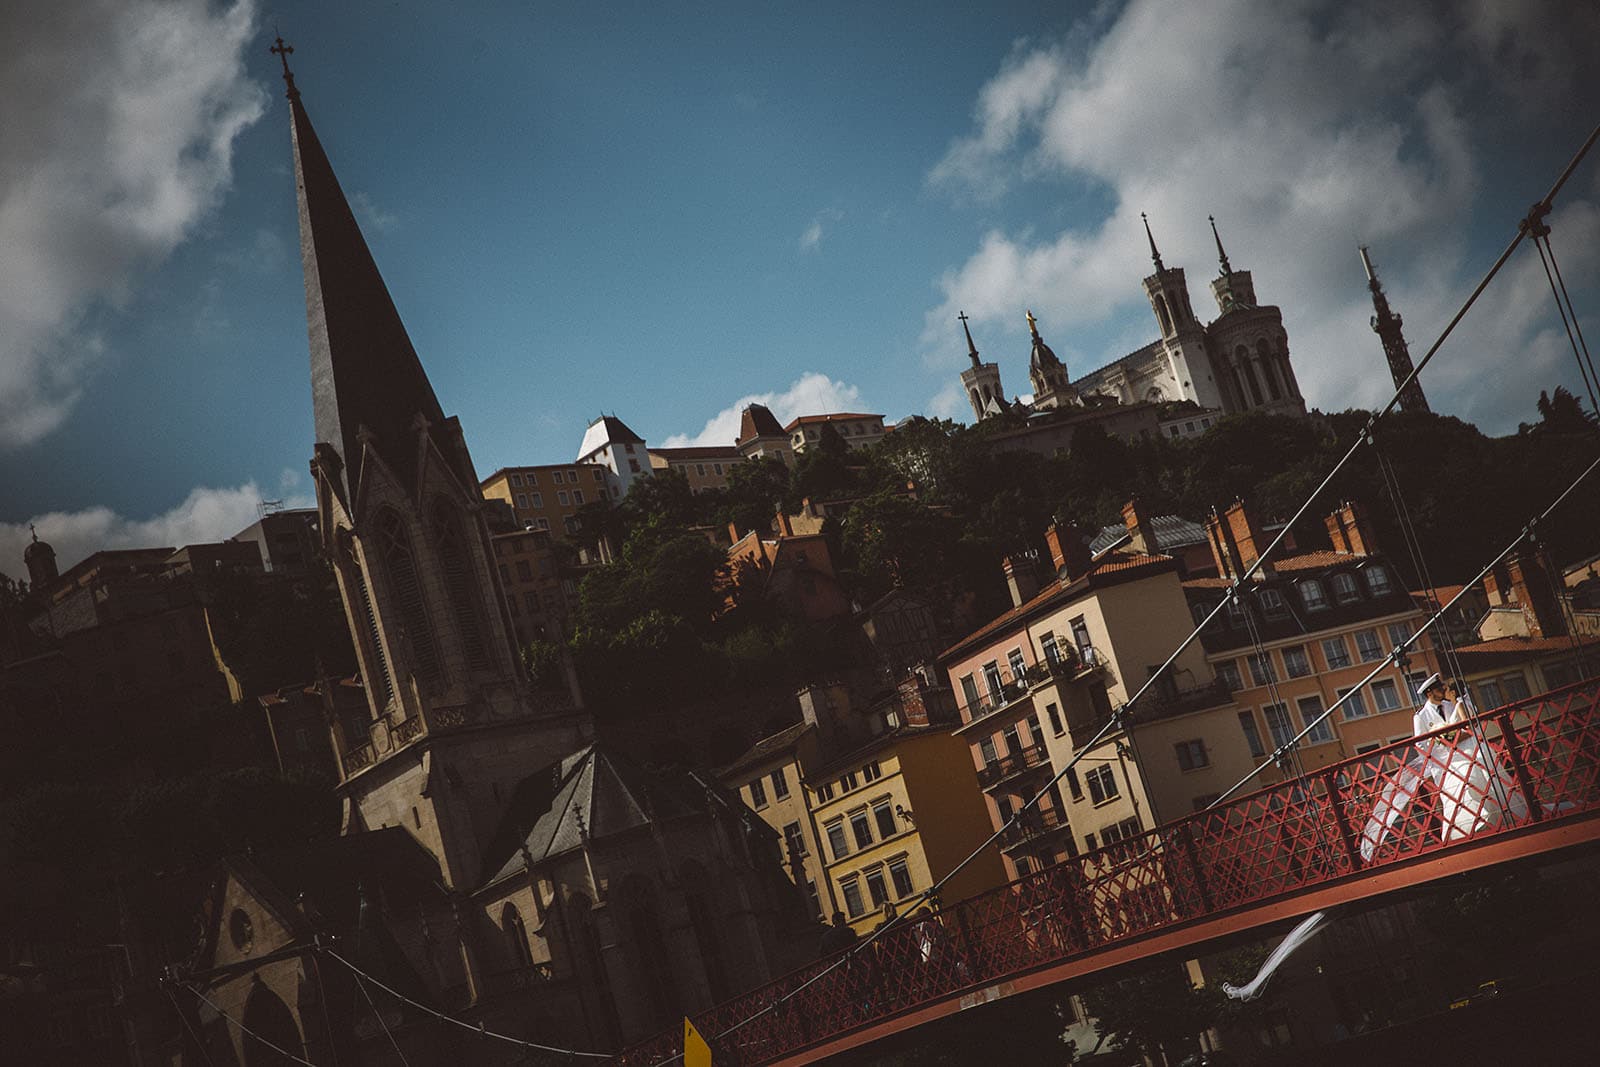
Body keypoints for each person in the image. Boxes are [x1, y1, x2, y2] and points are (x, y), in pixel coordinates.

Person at [1412, 673, 1527, 841]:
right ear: (1429, 693)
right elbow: (1420, 744)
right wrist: (1442, 744)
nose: (1443, 689)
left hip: (1466, 752)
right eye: (1439, 688)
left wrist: (1456, 737)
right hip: (1445, 763)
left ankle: (1495, 819)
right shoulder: (1421, 716)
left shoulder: (1451, 704)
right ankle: (1466, 829)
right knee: (1460, 792)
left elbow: (1468, 723)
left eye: (1442, 686)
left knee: (1482, 781)